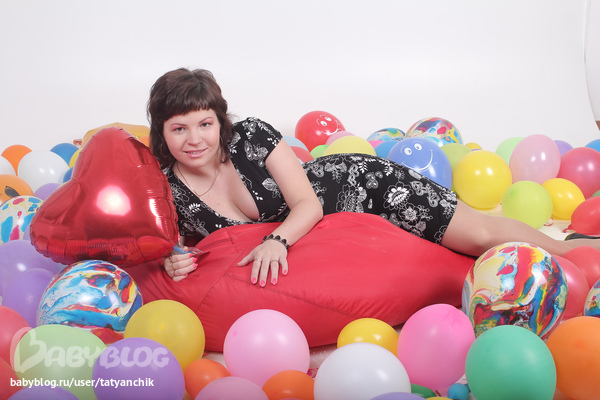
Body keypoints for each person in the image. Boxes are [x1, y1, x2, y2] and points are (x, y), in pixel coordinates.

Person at [148, 68, 599, 286]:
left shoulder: (250, 136)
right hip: (343, 238)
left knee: (479, 235)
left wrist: (277, 241)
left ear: (220, 121)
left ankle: (576, 249)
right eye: (179, 128)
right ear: (161, 133)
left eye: (204, 123)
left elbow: (307, 203)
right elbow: (178, 246)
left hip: (364, 186)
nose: (195, 139)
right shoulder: (168, 188)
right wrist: (174, 260)